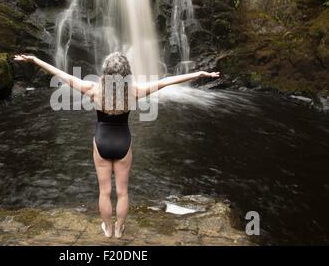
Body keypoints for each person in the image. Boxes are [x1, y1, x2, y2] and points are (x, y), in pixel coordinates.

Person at [14, 52, 219, 238]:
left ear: (105, 72)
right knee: (122, 192)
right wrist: (198, 74)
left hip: (101, 141)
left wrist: (35, 60)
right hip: (123, 142)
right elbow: (166, 82)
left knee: (104, 192)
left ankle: (107, 228)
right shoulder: (135, 91)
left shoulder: (93, 89)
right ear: (127, 73)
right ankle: (120, 229)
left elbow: (61, 74)